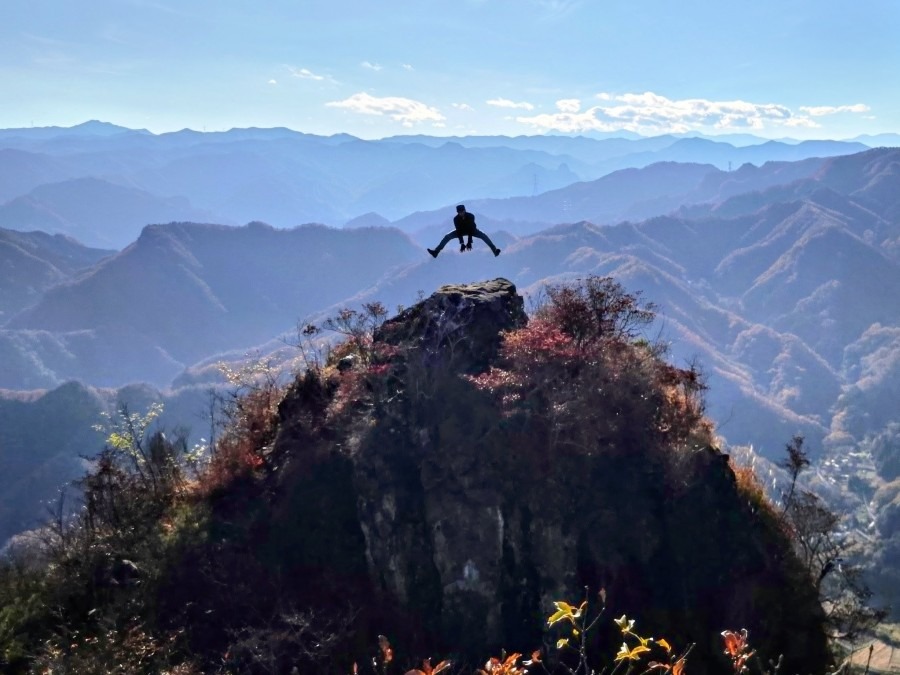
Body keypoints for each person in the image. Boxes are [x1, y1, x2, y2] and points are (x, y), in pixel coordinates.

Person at [428, 205, 501, 258]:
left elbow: (471, 229)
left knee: (483, 235)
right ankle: (436, 252)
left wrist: (469, 242)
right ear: (457, 212)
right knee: (447, 236)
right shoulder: (456, 219)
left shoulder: (471, 216)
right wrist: (462, 243)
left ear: (465, 210)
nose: (461, 213)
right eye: (460, 212)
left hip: (472, 230)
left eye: (462, 211)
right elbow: (458, 231)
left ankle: (494, 250)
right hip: (461, 231)